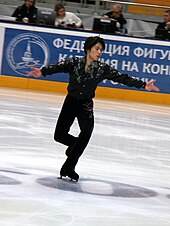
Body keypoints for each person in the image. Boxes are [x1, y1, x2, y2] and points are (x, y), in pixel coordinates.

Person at [27, 36, 160, 182]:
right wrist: (42, 72)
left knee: (86, 133)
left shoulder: (102, 69)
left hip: (86, 104)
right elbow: (57, 67)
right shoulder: (74, 62)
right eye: (97, 49)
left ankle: (69, 167)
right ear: (88, 49)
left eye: (101, 50)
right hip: (71, 101)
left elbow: (123, 78)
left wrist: (143, 85)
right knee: (59, 135)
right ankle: (74, 149)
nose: (99, 52)